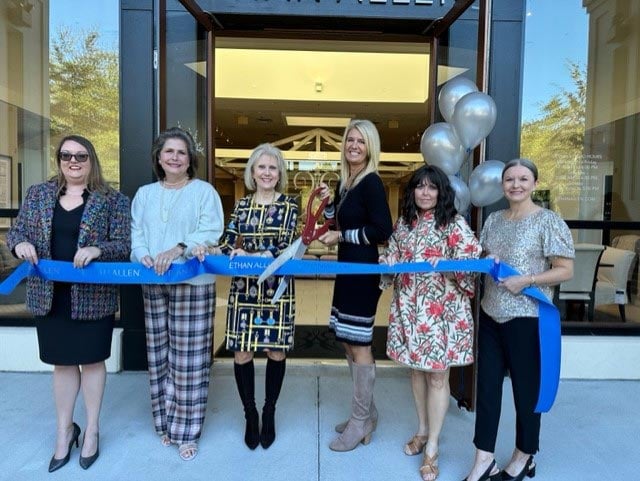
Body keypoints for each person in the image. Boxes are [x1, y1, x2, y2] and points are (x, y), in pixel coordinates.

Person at [6, 135, 131, 472]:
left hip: (93, 297)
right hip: (49, 296)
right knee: (62, 364)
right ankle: (64, 431)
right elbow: (16, 233)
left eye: (80, 156)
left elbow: (125, 245)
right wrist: (19, 246)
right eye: (66, 155)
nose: (73, 161)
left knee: (92, 361)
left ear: (92, 160)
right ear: (59, 160)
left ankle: (92, 430)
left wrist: (98, 249)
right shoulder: (38, 194)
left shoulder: (113, 200)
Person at [461, 158, 574, 481]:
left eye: (523, 179)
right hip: (490, 315)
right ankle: (483, 458)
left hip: (527, 318)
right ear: (502, 185)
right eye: (510, 179)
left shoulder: (548, 221)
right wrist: (487, 258)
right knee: (487, 390)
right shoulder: (494, 220)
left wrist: (527, 280)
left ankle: (525, 454)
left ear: (534, 184)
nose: (516, 185)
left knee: (526, 393)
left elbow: (566, 270)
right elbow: (483, 256)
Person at [380, 165, 481, 481]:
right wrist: (388, 261)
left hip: (442, 314)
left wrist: (450, 266)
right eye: (420, 186)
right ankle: (422, 430)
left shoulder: (454, 223)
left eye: (432, 187)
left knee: (437, 377)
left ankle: (433, 447)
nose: (425, 192)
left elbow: (471, 263)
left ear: (441, 192)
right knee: (416, 372)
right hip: (410, 309)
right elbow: (390, 257)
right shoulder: (404, 223)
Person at [130, 127, 224, 461]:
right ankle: (164, 424)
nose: (175, 157)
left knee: (189, 362)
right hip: (153, 282)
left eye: (181, 152)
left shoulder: (204, 192)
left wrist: (179, 248)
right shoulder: (144, 194)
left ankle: (187, 431)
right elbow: (137, 234)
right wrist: (142, 255)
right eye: (168, 151)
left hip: (193, 284)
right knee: (159, 356)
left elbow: (211, 230)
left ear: (189, 159)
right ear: (158, 157)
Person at [217, 143, 299, 450]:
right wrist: (228, 250)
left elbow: (287, 245)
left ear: (280, 173)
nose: (266, 172)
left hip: (277, 289)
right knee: (242, 352)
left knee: (276, 351)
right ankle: (250, 413)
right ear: (252, 172)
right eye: (261, 167)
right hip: (244, 289)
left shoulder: (290, 206)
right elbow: (226, 241)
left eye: (272, 167)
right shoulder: (241, 205)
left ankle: (269, 411)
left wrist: (257, 254)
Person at [318, 119, 393, 452]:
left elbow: (383, 230)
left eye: (361, 141)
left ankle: (360, 421)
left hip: (363, 273)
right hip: (347, 270)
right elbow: (335, 224)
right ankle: (367, 414)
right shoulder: (346, 182)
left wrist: (342, 236)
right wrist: (328, 204)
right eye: (350, 140)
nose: (354, 146)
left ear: (370, 148)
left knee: (360, 344)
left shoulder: (371, 182)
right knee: (347, 342)